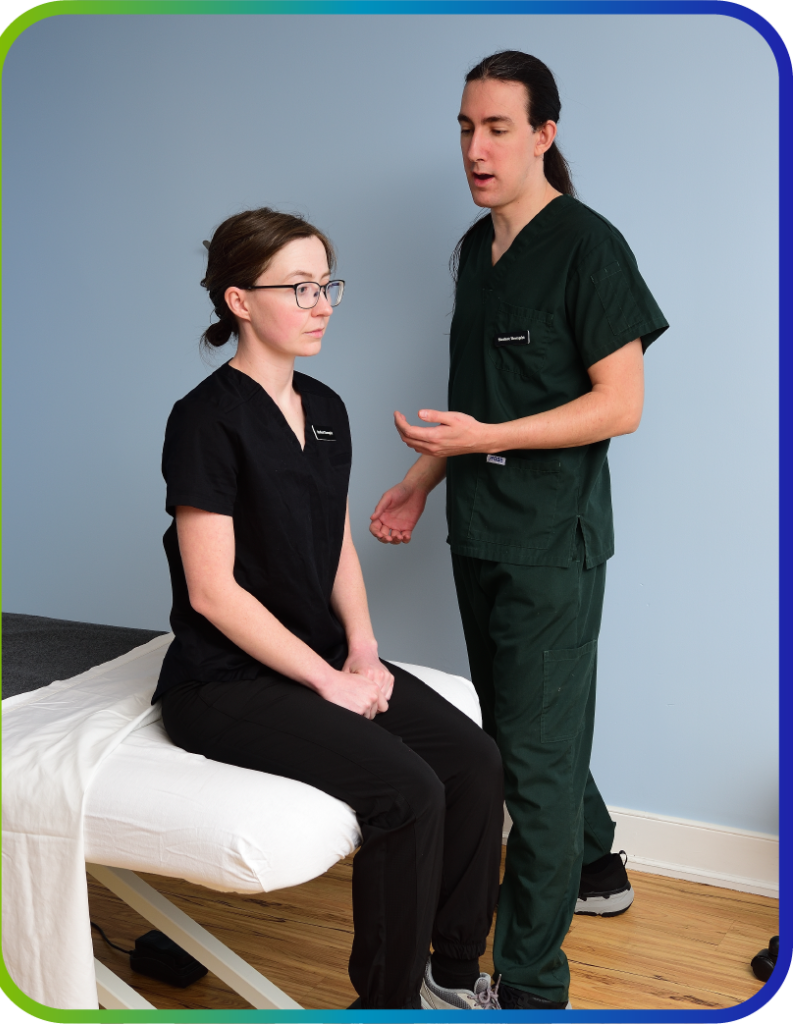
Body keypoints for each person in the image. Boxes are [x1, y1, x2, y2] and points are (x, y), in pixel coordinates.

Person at [370, 52, 669, 1010]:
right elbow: (477, 394)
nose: (476, 148)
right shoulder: (476, 250)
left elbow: (620, 405)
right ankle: (596, 866)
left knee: (531, 765)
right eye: (466, 127)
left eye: (498, 128)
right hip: (480, 534)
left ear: (545, 134)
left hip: (549, 546)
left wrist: (487, 441)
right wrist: (420, 480)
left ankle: (532, 984)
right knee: (521, 737)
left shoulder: (589, 247)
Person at [150, 208, 506, 1011]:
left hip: (317, 654)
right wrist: (328, 682)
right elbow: (211, 591)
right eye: (300, 288)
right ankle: (384, 1005)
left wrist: (364, 650)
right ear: (240, 300)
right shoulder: (205, 420)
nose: (322, 305)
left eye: (327, 286)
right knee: (408, 793)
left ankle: (451, 974)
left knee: (476, 761)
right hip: (224, 681)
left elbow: (335, 542)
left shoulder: (325, 407)